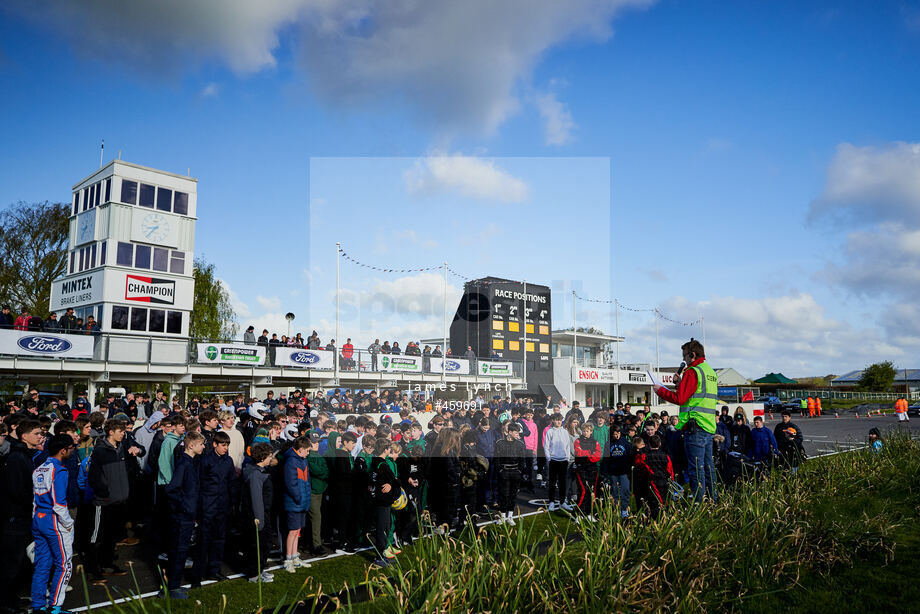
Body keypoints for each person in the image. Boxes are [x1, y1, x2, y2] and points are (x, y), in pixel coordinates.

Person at [650, 338, 717, 503]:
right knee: (708, 467)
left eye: (685, 356)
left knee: (696, 469)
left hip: (695, 427)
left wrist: (661, 391)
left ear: (692, 355)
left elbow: (680, 399)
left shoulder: (693, 371)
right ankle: (712, 500)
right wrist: (681, 383)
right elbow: (695, 397)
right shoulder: (709, 371)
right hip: (708, 426)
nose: (684, 360)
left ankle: (699, 504)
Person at [30, 434, 76, 614]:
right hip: (54, 521)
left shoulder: (39, 469)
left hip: (38, 519)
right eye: (71, 448)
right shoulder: (60, 470)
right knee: (64, 564)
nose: (72, 451)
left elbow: (34, 500)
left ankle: (38, 606)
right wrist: (69, 523)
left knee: (42, 564)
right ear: (63, 450)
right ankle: (55, 607)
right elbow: (59, 503)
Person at [0, 419, 44, 607]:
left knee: (23, 561)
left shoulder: (26, 455)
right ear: (24, 436)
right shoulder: (17, 457)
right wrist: (34, 502)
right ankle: (5, 601)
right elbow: (17, 490)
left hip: (23, 516)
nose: (40, 436)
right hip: (16, 518)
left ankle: (12, 597)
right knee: (12, 562)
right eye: (36, 433)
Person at [86, 419, 130, 583]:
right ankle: (93, 569)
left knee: (111, 537)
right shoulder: (100, 451)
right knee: (97, 537)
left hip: (119, 501)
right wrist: (105, 493)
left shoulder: (120, 449)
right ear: (111, 432)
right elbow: (94, 477)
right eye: (120, 431)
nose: (123, 434)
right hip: (104, 502)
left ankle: (107, 564)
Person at [164, 431, 204, 599]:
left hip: (188, 514)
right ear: (191, 445)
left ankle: (175, 585)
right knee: (179, 551)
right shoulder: (184, 464)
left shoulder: (191, 463)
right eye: (201, 444)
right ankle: (172, 588)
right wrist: (185, 508)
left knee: (182, 550)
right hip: (182, 517)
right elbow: (172, 489)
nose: (203, 446)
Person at [195, 431, 235, 583]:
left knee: (219, 539)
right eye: (223, 445)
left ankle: (215, 570)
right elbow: (199, 483)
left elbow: (232, 482)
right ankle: (198, 573)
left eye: (227, 445)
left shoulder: (228, 461)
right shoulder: (205, 461)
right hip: (207, 506)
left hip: (222, 506)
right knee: (204, 540)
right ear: (214, 444)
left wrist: (232, 502)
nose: (225, 448)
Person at [241, 442, 275, 584]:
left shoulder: (259, 472)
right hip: (258, 516)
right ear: (262, 457)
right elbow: (256, 499)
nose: (271, 458)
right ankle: (254, 574)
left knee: (265, 544)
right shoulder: (255, 475)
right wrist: (259, 520)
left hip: (263, 514)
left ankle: (259, 570)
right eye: (269, 456)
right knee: (258, 545)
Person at [282, 437, 312, 573]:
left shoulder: (303, 460)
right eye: (307, 451)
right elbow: (290, 483)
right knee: (292, 531)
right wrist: (298, 497)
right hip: (294, 502)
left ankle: (294, 556)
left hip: (301, 501)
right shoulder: (291, 462)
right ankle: (288, 559)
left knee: (297, 530)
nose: (308, 453)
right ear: (300, 450)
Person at [369, 439, 401, 567]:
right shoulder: (382, 465)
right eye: (388, 448)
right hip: (383, 501)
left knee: (384, 527)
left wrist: (389, 483)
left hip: (379, 500)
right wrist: (393, 483)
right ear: (386, 450)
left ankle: (381, 554)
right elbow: (396, 481)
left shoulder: (374, 462)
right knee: (383, 528)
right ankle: (379, 557)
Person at [632, 434, 673, 520]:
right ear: (660, 444)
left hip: (651, 483)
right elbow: (670, 471)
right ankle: (664, 519)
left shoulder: (644, 456)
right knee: (664, 501)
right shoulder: (666, 456)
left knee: (653, 503)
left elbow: (639, 466)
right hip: (664, 482)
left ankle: (653, 521)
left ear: (649, 445)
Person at [493, 422, 526, 525]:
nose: (518, 435)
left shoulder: (520, 444)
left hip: (515, 472)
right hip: (504, 472)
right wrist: (501, 470)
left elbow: (522, 460)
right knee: (504, 494)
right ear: (510, 432)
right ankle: (502, 516)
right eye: (516, 432)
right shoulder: (499, 443)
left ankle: (510, 516)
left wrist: (519, 471)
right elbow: (496, 459)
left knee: (513, 495)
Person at [543, 413, 573, 511]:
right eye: (556, 420)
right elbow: (546, 446)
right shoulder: (550, 432)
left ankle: (562, 502)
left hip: (563, 460)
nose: (558, 422)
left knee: (562, 482)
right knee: (552, 482)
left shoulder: (565, 431)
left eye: (560, 420)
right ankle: (551, 502)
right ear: (553, 421)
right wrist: (549, 458)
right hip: (553, 460)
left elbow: (568, 445)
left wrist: (567, 458)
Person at [572, 422, 602, 518]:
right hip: (581, 468)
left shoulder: (595, 442)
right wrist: (590, 453)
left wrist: (586, 455)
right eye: (584, 431)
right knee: (583, 490)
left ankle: (589, 513)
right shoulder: (578, 441)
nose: (585, 433)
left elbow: (597, 456)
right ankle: (578, 513)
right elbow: (578, 452)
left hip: (593, 468)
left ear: (591, 432)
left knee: (592, 492)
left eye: (587, 431)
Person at [604, 426, 633, 518]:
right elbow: (606, 459)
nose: (617, 436)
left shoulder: (625, 442)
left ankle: (624, 509)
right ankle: (615, 509)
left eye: (618, 434)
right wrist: (605, 472)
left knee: (625, 491)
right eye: (615, 434)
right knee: (615, 492)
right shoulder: (608, 443)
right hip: (613, 472)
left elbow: (630, 455)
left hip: (624, 471)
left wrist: (628, 468)